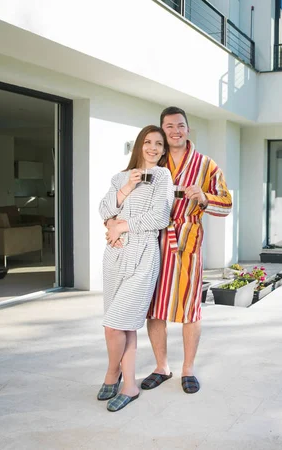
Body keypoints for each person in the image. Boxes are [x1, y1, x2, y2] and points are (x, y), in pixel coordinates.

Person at [141, 106, 232, 394]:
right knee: (154, 310)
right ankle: (161, 366)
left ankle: (188, 369)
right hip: (153, 242)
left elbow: (227, 203)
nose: (175, 131)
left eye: (180, 125)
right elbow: (132, 196)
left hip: (187, 245)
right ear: (162, 130)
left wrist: (204, 197)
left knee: (190, 309)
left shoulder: (206, 165)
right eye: (169, 127)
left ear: (188, 129)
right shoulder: (154, 161)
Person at [98, 125, 174, 412]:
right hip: (115, 255)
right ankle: (129, 384)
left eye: (159, 144)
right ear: (139, 145)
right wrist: (127, 188)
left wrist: (122, 225)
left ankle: (111, 373)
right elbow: (104, 209)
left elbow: (160, 216)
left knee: (114, 324)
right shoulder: (119, 177)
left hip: (143, 254)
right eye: (148, 142)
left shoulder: (162, 177)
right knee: (125, 326)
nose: (153, 148)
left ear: (164, 150)